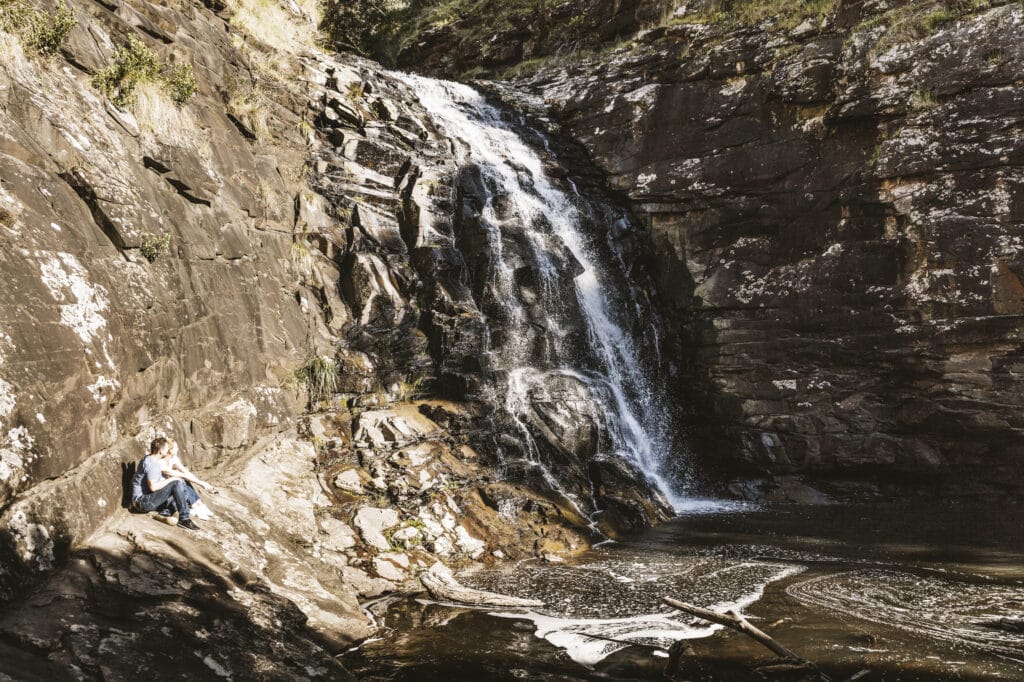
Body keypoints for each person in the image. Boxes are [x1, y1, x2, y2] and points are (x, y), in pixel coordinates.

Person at [129, 437, 200, 531]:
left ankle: (165, 512)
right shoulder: (152, 463)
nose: (168, 450)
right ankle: (184, 519)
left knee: (183, 492)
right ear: (161, 451)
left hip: (147, 499)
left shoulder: (150, 458)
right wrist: (172, 480)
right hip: (141, 502)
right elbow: (153, 487)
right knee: (176, 483)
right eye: (167, 448)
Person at [162, 439, 215, 521]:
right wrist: (201, 483)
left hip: (172, 488)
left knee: (185, 480)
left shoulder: (173, 458)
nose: (178, 449)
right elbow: (181, 475)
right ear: (170, 450)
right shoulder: (161, 462)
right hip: (163, 491)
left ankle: (198, 504)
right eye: (176, 447)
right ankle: (195, 506)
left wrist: (201, 482)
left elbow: (185, 472)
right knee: (180, 480)